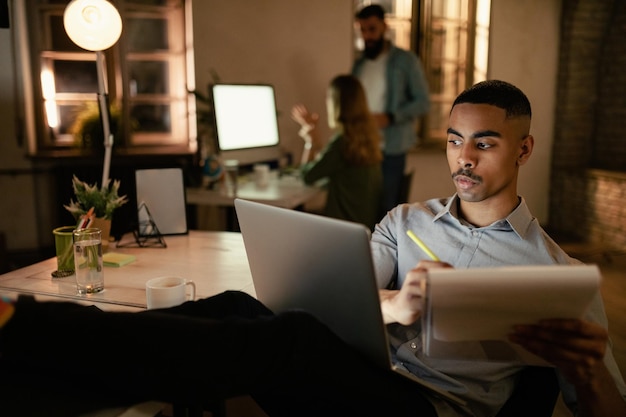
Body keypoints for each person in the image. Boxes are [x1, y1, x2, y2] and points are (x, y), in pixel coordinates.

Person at [1, 80, 625, 417]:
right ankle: (66, 357)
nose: (462, 157)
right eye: (455, 139)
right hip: (369, 371)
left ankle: (33, 338)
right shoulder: (408, 218)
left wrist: (590, 371)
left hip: (426, 407)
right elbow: (340, 295)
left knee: (289, 337)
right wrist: (394, 307)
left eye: (484, 144)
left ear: (523, 149)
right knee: (244, 308)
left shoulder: (554, 271)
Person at [352, 4, 430, 214]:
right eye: (362, 30)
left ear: (384, 27)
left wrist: (391, 117)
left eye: (372, 29)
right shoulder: (359, 66)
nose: (367, 35)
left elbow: (423, 102)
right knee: (363, 209)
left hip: (392, 150)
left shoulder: (405, 61)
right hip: (362, 149)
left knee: (387, 212)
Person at [291, 74, 383, 231]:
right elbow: (334, 168)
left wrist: (310, 142)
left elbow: (307, 176)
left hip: (343, 227)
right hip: (362, 224)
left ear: (336, 104)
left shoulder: (343, 141)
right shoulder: (366, 138)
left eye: (328, 98)